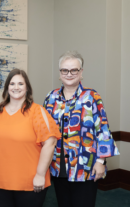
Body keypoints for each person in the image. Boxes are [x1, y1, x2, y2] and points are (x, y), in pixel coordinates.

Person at [43, 51, 120, 207]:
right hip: (58, 167)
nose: (69, 74)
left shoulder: (92, 97)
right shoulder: (51, 98)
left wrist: (100, 161)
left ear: (81, 72)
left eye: (74, 70)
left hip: (85, 166)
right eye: (65, 70)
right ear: (60, 73)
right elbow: (45, 131)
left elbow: (103, 129)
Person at [0, 69, 61, 207]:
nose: (16, 87)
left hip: (30, 183)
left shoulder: (37, 111)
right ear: (7, 87)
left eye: (20, 83)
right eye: (12, 83)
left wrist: (40, 174)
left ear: (27, 88)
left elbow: (50, 143)